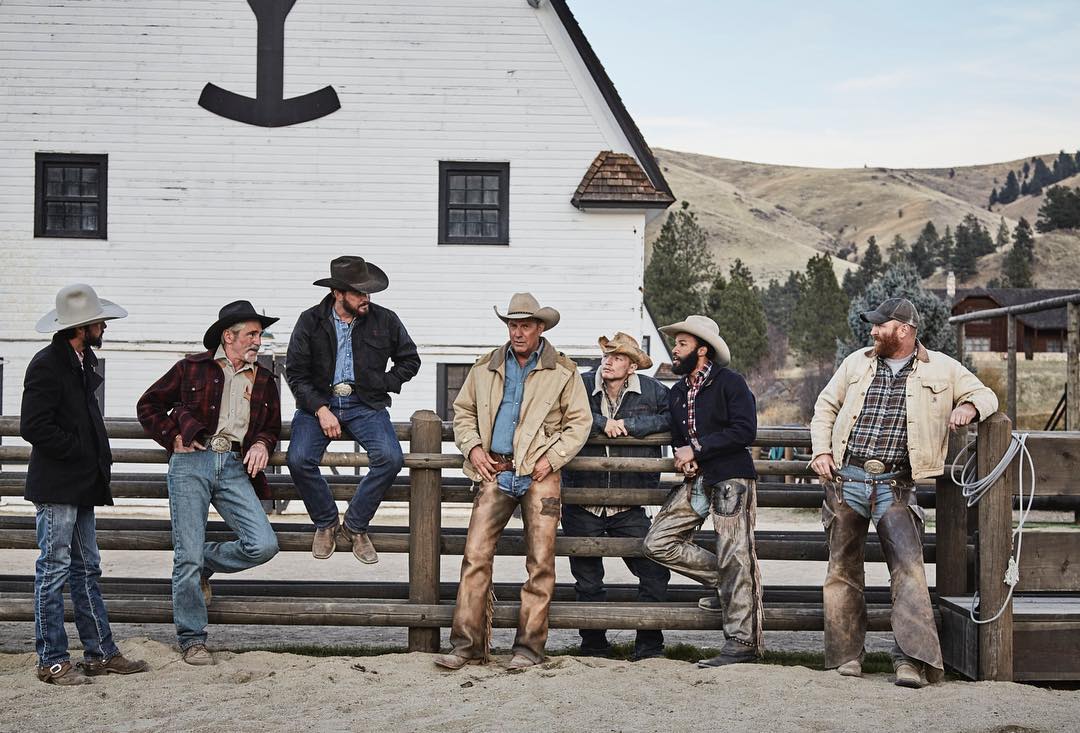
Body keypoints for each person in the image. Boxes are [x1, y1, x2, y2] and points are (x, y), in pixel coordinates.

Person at [809, 297, 998, 688]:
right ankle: (847, 657)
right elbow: (825, 406)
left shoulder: (943, 367)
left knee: (909, 573)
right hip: (847, 480)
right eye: (874, 326)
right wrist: (822, 451)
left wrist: (969, 409)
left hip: (897, 485)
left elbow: (987, 395)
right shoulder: (856, 362)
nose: (873, 331)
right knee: (841, 572)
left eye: (881, 325)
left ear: (905, 330)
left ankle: (910, 662)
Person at [433, 293, 591, 670]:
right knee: (475, 556)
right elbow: (463, 412)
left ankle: (529, 649)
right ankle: (466, 647)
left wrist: (550, 459)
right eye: (512, 325)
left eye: (525, 326)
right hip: (496, 470)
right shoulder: (485, 366)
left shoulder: (564, 371)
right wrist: (472, 449)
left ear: (540, 328)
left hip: (541, 474)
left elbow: (579, 423)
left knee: (540, 562)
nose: (517, 332)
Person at [137, 300, 282, 666]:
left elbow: (271, 426)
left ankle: (200, 560)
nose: (258, 340)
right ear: (228, 336)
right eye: (252, 334)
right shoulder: (191, 368)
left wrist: (263, 443)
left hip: (234, 465)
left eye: (259, 334)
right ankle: (192, 639)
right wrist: (172, 437)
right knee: (184, 557)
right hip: (190, 463)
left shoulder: (263, 377)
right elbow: (148, 405)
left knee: (263, 545)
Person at [22, 284, 148, 684]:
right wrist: (80, 452)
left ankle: (99, 653)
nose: (104, 326)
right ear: (83, 326)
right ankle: (52, 660)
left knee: (86, 569)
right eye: (100, 321)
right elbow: (34, 426)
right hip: (59, 484)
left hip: (79, 484)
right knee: (54, 570)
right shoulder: (47, 364)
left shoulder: (79, 361)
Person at [642, 315, 763, 668]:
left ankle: (741, 641)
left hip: (731, 477)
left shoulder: (730, 383)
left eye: (682, 344)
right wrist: (687, 456)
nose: (675, 351)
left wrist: (699, 449)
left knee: (735, 552)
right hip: (698, 480)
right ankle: (729, 586)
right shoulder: (678, 392)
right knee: (657, 542)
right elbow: (678, 435)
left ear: (702, 349)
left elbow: (745, 431)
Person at [285, 256, 420, 564]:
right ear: (338, 293)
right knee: (298, 458)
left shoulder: (385, 319)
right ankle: (327, 522)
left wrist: (381, 383)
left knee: (390, 458)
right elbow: (295, 372)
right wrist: (320, 408)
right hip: (319, 404)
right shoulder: (310, 320)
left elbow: (410, 360)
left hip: (366, 404)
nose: (366, 298)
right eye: (359, 292)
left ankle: (356, 525)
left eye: (367, 292)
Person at [560, 332, 671, 660]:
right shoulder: (579, 385)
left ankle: (649, 645)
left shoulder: (654, 390)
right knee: (588, 579)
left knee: (653, 571)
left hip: (631, 500)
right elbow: (563, 411)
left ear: (633, 366)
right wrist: (601, 423)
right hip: (583, 497)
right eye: (607, 355)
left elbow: (670, 418)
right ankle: (594, 645)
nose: (608, 362)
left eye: (618, 357)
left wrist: (630, 424)